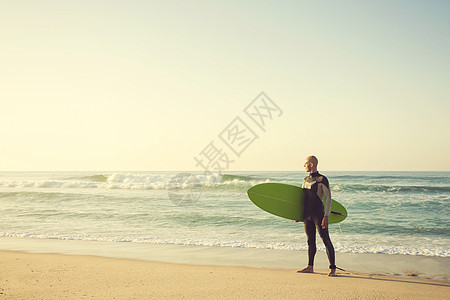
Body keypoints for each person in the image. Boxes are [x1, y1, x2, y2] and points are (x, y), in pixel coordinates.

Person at [296, 155, 337, 276]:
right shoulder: (305, 180)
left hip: (318, 214)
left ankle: (332, 268)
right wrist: (298, 214)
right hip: (307, 215)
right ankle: (310, 266)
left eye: (306, 163)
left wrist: (326, 216)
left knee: (326, 240)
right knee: (310, 241)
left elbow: (328, 198)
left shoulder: (321, 179)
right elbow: (302, 199)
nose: (304, 165)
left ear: (312, 164)